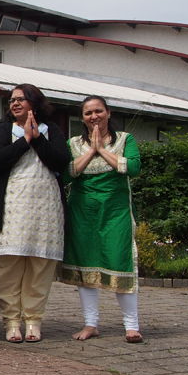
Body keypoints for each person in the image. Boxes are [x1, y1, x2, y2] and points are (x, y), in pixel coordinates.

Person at [0, 84, 69, 344]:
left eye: (21, 99)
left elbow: (61, 161)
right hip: (9, 206)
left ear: (35, 102)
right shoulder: (3, 130)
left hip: (44, 206)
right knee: (5, 264)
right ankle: (11, 321)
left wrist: (38, 139)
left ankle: (33, 319)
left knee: (40, 263)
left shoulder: (51, 130)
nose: (15, 103)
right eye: (12, 100)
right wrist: (25, 140)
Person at [63, 96, 143, 344]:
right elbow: (65, 175)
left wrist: (102, 150)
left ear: (109, 113)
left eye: (98, 111)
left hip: (115, 211)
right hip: (82, 212)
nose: (94, 116)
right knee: (85, 265)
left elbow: (134, 167)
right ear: (82, 118)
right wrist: (91, 151)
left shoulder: (125, 140)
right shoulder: (73, 143)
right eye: (88, 113)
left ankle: (132, 326)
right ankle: (91, 324)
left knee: (121, 260)